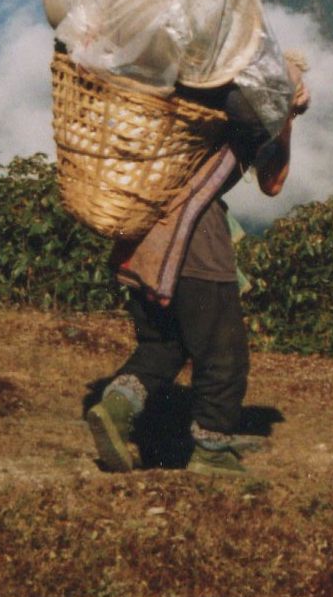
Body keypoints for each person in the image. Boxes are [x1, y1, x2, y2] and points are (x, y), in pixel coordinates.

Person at [83, 60, 308, 477]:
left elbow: (269, 177)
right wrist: (287, 97)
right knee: (224, 354)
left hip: (141, 230)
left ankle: (115, 409)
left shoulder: (185, 105)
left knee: (162, 345)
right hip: (193, 240)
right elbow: (272, 178)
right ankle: (212, 450)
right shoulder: (235, 110)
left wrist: (286, 112)